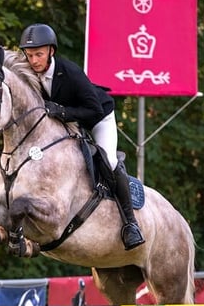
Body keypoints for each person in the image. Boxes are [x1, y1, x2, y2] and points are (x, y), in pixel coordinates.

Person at [18, 23, 145, 250]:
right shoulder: (29, 74)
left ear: (51, 51)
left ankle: (130, 224)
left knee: (109, 160)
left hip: (97, 118)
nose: (34, 60)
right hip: (65, 122)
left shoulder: (70, 73)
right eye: (29, 55)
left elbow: (94, 110)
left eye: (39, 54)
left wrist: (63, 112)